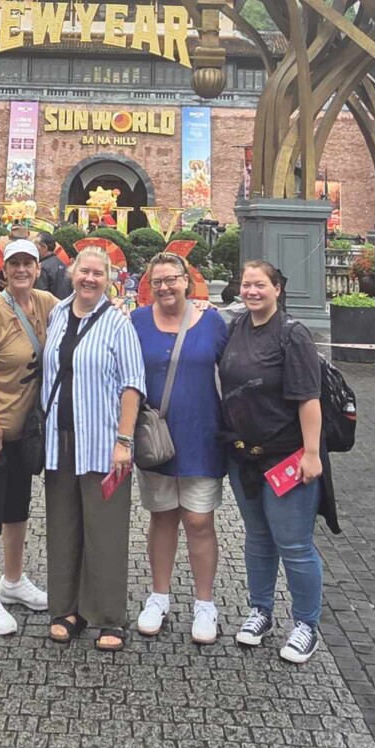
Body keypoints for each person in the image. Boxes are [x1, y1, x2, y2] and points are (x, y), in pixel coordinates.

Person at [217, 259, 338, 663]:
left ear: (277, 289)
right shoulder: (235, 326)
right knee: (257, 536)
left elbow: (308, 398)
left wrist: (311, 454)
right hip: (244, 455)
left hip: (286, 457)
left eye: (260, 285)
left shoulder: (292, 334)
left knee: (294, 543)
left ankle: (306, 623)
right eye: (247, 285)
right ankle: (261, 610)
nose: (252, 291)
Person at [42, 245, 146, 651]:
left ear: (109, 280)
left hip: (103, 443)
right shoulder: (57, 313)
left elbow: (132, 384)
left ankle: (108, 616)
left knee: (105, 530)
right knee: (63, 525)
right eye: (84, 271)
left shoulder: (118, 323)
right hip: (59, 439)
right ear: (72, 273)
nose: (89, 279)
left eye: (98, 274)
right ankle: (66, 610)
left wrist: (124, 440)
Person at [130, 251, 229, 644]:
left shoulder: (212, 322)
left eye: (172, 279)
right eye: (157, 281)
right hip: (155, 439)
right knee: (162, 517)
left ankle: (205, 602)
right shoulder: (137, 321)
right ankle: (159, 595)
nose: (165, 287)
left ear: (187, 281)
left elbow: (235, 368)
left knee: (200, 520)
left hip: (200, 434)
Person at [0, 238, 55, 634]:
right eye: (14, 263)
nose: (21, 270)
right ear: (4, 271)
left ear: (38, 268)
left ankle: (13, 581)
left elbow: (85, 308)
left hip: (26, 432)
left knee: (17, 508)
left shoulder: (46, 303)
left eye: (27, 263)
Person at [37, 233, 71, 300]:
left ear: (44, 247)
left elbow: (40, 296)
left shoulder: (42, 267)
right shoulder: (62, 264)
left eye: (35, 246)